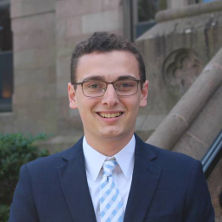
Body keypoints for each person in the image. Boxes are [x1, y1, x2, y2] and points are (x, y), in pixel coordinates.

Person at [9, 32, 214, 222]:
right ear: (73, 96)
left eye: (124, 85)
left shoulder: (184, 176)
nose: (110, 99)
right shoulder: (37, 181)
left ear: (143, 93)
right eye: (94, 86)